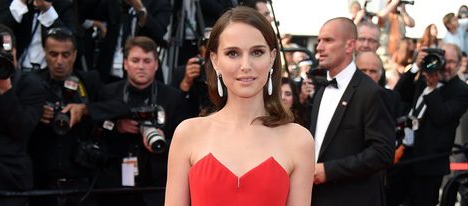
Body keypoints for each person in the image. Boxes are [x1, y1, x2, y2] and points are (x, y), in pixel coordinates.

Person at [165, 6, 314, 206]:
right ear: (215, 60)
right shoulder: (188, 133)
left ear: (271, 58)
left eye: (257, 52)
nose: (246, 65)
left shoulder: (299, 140)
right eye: (233, 53)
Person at [87, 36, 191, 206]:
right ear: (125, 63)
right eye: (135, 60)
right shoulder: (108, 93)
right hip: (115, 187)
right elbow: (93, 131)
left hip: (157, 188)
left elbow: (187, 143)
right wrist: (116, 127)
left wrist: (163, 141)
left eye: (147, 61)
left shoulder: (173, 98)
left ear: (156, 65)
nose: (141, 66)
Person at [310, 17, 395, 206]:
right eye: (319, 41)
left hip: (355, 198)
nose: (319, 47)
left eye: (328, 40)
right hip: (317, 198)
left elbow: (383, 152)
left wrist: (329, 171)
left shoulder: (371, 93)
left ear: (350, 46)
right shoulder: (321, 90)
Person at [27, 27, 101, 206]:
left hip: (81, 182)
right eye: (53, 54)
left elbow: (117, 106)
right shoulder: (31, 82)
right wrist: (35, 112)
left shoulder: (89, 81)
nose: (59, 61)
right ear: (44, 53)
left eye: (65, 55)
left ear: (75, 55)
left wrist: (85, 109)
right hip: (40, 182)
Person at [389, 43, 468, 206]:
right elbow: (397, 95)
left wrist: (432, 88)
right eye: (443, 59)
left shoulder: (461, 90)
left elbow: (441, 117)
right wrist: (415, 67)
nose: (445, 65)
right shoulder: (424, 78)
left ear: (460, 64)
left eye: (451, 61)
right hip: (403, 159)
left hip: (429, 166)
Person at [0, 23, 46, 206]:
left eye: (6, 53)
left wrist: (5, 89)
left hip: (11, 179)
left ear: (16, 53)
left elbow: (22, 128)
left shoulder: (30, 84)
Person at [0, 0, 77, 71]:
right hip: (15, 70)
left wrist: (48, 11)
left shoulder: (62, 5)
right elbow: (1, 30)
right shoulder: (9, 3)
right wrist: (20, 3)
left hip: (49, 73)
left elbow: (71, 41)